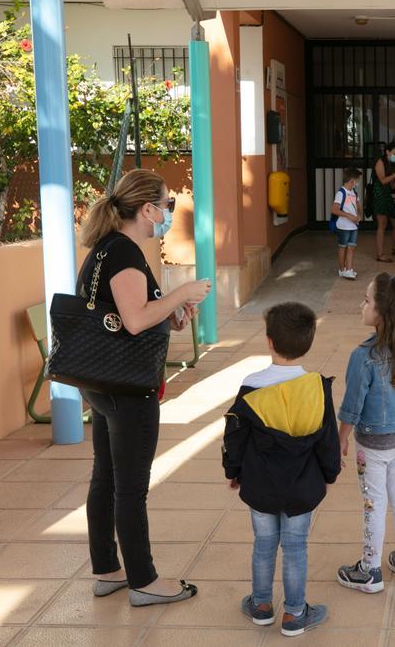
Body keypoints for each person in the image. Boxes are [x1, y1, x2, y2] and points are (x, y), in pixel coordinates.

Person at [77, 169, 210, 606]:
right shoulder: (123, 254)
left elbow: (132, 313)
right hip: (127, 389)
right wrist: (184, 291)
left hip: (101, 381)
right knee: (129, 486)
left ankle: (108, 570)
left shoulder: (104, 251)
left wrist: (172, 312)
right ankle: (144, 580)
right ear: (147, 209)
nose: (169, 213)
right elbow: (134, 320)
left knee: (106, 478)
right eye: (167, 205)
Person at [224, 302, 341, 637]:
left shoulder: (251, 386)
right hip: (302, 486)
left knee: (263, 543)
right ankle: (294, 614)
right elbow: (328, 441)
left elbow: (235, 438)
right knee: (295, 547)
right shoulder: (317, 388)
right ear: (308, 342)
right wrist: (330, 474)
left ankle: (261, 606)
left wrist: (233, 471)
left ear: (269, 341)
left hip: (260, 484)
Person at [337, 273, 395, 593]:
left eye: (367, 300)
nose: (361, 305)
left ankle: (370, 569)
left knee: (373, 503)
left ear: (383, 312)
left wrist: (341, 439)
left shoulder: (363, 357)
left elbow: (352, 406)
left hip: (371, 446)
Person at [372, 141, 395, 263]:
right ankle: (380, 254)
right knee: (382, 224)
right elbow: (383, 181)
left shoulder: (392, 164)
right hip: (379, 194)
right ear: (387, 152)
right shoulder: (380, 162)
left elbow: (392, 185)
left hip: (387, 193)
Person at [331, 168, 363, 280]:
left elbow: (358, 205)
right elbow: (334, 210)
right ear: (352, 180)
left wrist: (359, 215)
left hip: (354, 226)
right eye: (357, 180)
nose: (358, 182)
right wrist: (349, 216)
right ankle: (342, 269)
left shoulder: (354, 192)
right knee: (343, 247)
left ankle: (349, 269)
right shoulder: (341, 192)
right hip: (343, 225)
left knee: (351, 248)